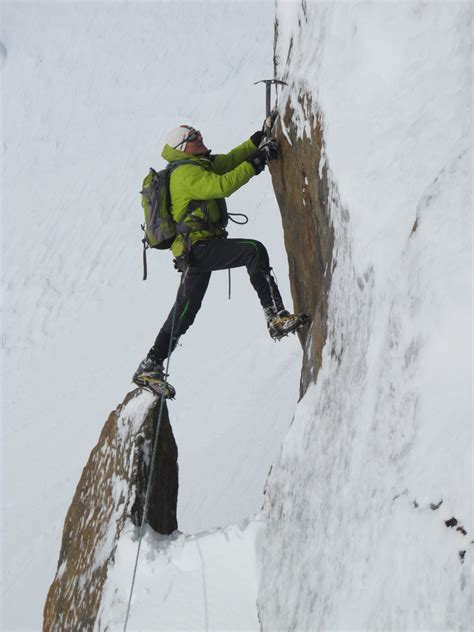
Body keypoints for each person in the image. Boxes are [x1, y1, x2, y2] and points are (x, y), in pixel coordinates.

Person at [133, 124, 307, 398]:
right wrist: (259, 161)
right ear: (182, 147)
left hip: (194, 250)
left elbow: (227, 162)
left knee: (186, 309)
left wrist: (253, 144)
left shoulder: (198, 163)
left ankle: (151, 364)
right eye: (193, 138)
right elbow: (222, 185)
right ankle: (275, 317)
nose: (200, 138)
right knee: (253, 251)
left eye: (198, 134)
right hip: (198, 248)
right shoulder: (186, 174)